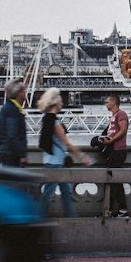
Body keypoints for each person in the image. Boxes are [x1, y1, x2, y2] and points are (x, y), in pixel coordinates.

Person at [37, 88, 92, 216]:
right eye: (60, 99)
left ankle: (72, 219)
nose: (62, 102)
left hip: (54, 162)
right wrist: (83, 156)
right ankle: (38, 218)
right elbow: (67, 143)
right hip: (55, 164)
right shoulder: (55, 122)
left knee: (65, 192)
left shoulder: (47, 118)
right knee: (49, 195)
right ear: (55, 102)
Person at [103, 92, 129, 219]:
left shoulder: (121, 114)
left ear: (114, 102)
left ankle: (115, 210)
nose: (106, 104)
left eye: (107, 102)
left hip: (118, 151)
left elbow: (123, 130)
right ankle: (120, 210)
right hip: (113, 151)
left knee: (114, 181)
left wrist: (111, 141)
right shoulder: (113, 116)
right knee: (115, 181)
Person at [0, 78, 28, 167]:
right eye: (24, 91)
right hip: (11, 155)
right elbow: (12, 135)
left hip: (5, 153)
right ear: (19, 93)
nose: (25, 93)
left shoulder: (6, 108)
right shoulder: (13, 111)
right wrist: (21, 155)